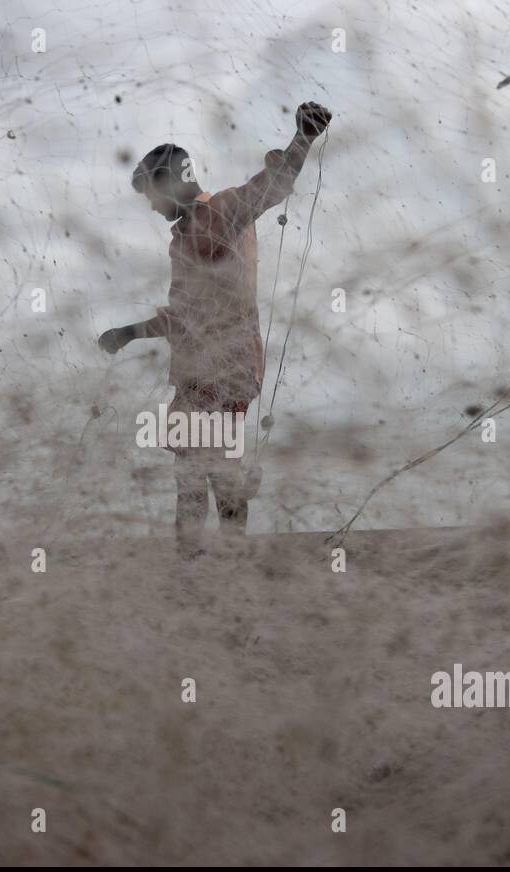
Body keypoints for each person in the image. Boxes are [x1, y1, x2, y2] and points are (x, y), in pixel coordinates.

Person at [100, 102, 332, 558]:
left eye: (151, 193)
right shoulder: (180, 239)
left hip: (226, 365)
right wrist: (128, 332)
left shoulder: (224, 210)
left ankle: (228, 562)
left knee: (217, 470)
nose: (150, 205)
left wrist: (303, 138)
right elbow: (181, 315)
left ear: (172, 182)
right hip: (193, 370)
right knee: (189, 472)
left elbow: (272, 187)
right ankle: (191, 561)